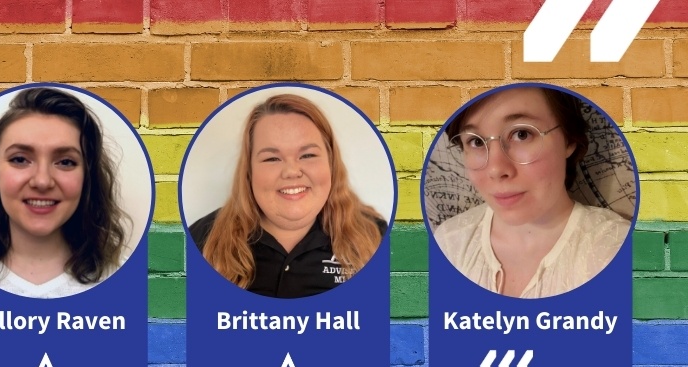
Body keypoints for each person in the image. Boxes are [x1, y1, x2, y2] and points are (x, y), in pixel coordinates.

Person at [433, 86, 630, 298]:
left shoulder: (614, 248)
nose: (496, 169)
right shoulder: (449, 241)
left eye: (522, 134)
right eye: (476, 142)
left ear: (569, 140)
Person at [189, 94, 387, 298]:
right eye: (272, 158)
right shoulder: (200, 240)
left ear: (331, 163)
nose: (292, 171)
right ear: (249, 171)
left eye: (308, 155)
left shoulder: (378, 238)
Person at [0, 87, 128, 298]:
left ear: (87, 178)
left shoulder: (122, 283)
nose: (42, 181)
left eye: (66, 162)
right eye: (19, 159)